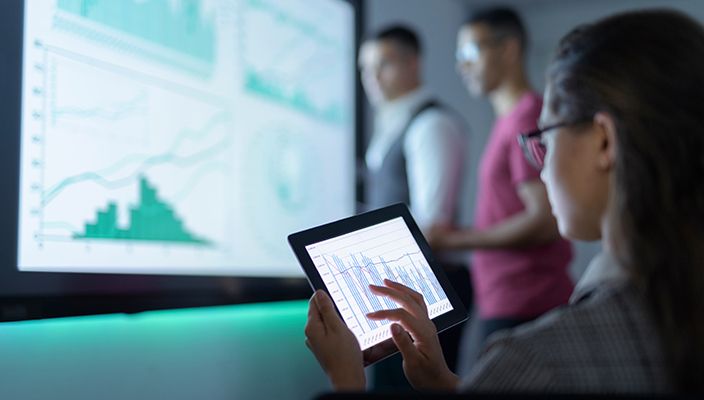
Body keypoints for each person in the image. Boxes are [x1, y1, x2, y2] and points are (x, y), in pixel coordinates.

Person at [305, 9, 704, 394]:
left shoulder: (533, 358)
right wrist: (445, 381)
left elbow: (539, 221)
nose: (542, 167)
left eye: (545, 139)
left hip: (519, 294)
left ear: (603, 141)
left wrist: (346, 380)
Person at [429, 8, 573, 349]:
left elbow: (544, 220)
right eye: (458, 56)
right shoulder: (512, 119)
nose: (461, 66)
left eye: (470, 53)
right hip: (509, 299)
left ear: (508, 50)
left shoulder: (526, 119)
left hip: (527, 302)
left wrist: (453, 241)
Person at [358, 26, 470, 388]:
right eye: (365, 68)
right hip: (401, 291)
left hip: (426, 293)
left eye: (384, 64)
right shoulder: (392, 123)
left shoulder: (431, 124)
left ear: (413, 64)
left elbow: (431, 225)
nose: (372, 77)